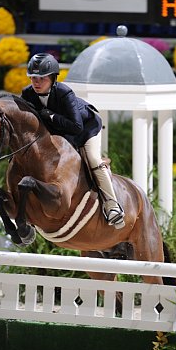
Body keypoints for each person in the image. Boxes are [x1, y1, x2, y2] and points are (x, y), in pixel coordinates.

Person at [21, 53, 125, 229]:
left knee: (92, 158)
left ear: (53, 78)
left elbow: (76, 127)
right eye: (33, 78)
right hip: (59, 133)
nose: (36, 82)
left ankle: (112, 206)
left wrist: (52, 116)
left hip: (86, 128)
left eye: (41, 78)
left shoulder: (64, 93)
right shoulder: (28, 93)